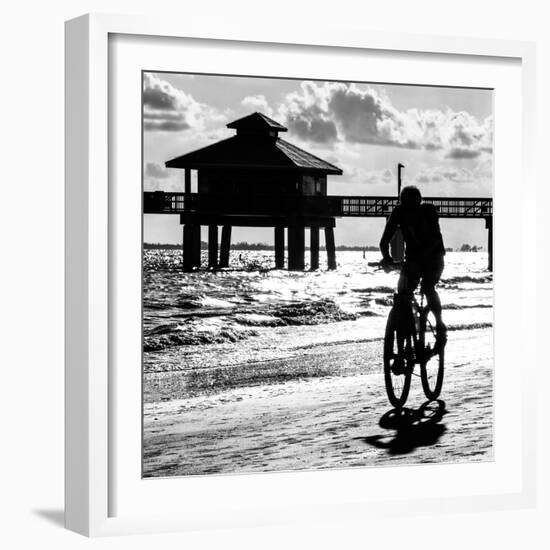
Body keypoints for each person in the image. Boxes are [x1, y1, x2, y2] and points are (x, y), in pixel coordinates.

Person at [379, 185, 447, 350]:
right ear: (402, 203)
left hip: (434, 257)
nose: (409, 208)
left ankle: (439, 325)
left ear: (419, 202)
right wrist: (386, 257)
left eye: (412, 204)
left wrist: (422, 256)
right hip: (413, 259)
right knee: (402, 294)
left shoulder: (429, 211)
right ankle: (402, 345)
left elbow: (436, 239)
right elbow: (385, 239)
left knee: (428, 287)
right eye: (406, 204)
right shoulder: (399, 212)